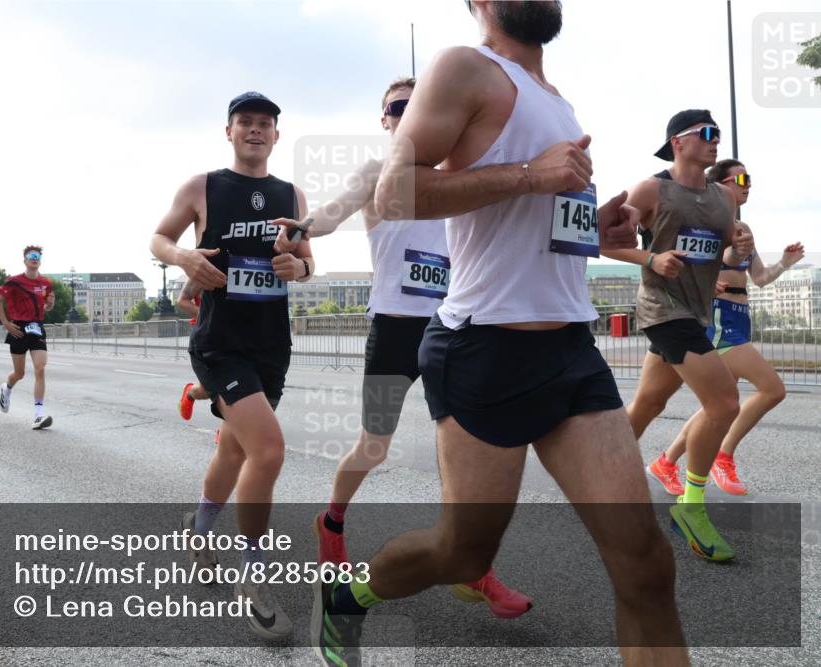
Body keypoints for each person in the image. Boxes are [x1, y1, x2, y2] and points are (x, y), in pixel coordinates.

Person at [313, 3, 688, 666]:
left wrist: (592, 227)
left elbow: (531, 223)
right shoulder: (463, 68)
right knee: (464, 550)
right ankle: (350, 595)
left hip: (572, 351)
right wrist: (532, 176)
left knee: (647, 566)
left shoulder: (558, 102)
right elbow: (396, 192)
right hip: (483, 349)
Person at [274, 75, 529, 618]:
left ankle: (471, 567)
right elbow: (337, 208)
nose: (408, 113)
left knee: (465, 456)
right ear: (385, 120)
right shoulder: (378, 173)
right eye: (398, 107)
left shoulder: (457, 176)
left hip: (453, 331)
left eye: (420, 106)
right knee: (374, 447)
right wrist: (303, 226)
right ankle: (332, 522)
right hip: (394, 331)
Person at [151, 91, 313, 640]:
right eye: (245, 122)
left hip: (271, 343)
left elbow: (308, 263)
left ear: (275, 135)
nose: (255, 130)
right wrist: (183, 257)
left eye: (265, 123)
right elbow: (158, 237)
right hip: (219, 341)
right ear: (229, 131)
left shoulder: (291, 193)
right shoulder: (204, 186)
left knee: (236, 448)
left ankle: (198, 531)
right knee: (268, 450)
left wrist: (298, 267)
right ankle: (253, 579)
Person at [603, 109, 754, 565]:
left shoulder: (722, 197)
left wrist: (737, 248)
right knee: (725, 403)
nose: (714, 141)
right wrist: (650, 260)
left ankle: (603, 480)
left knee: (648, 403)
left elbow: (724, 247)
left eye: (717, 135)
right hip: (663, 311)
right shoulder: (652, 189)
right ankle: (691, 505)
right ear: (678, 143)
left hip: (696, 311)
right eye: (706, 134)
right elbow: (602, 240)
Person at [648, 160, 805, 496]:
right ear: (719, 185)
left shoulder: (742, 226)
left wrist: (785, 264)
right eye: (742, 178)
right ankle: (724, 455)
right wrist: (725, 260)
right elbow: (719, 260)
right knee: (772, 389)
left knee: (717, 405)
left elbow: (761, 278)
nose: (749, 185)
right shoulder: (710, 223)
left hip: (739, 317)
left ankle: (666, 461)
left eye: (751, 178)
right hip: (717, 318)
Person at [0, 246, 55, 430]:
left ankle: (38, 415)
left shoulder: (46, 283)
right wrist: (6, 323)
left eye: (37, 256)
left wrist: (50, 304)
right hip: (18, 328)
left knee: (40, 368)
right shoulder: (14, 281)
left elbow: (47, 306)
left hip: (36, 326)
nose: (35, 259)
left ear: (40, 260)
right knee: (19, 374)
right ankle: (7, 387)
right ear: (25, 260)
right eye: (31, 256)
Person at [176, 279, 210, 420]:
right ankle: (190, 393)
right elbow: (182, 301)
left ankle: (230, 435)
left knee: (241, 388)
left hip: (240, 335)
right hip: (207, 335)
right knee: (209, 390)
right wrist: (211, 315)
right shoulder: (206, 265)